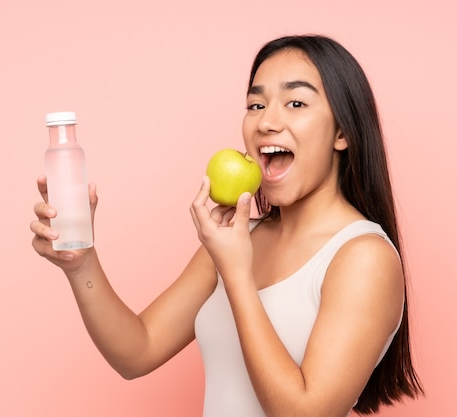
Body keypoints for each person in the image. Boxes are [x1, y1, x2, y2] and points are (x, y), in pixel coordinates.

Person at [31, 34, 423, 416]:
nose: (267, 121)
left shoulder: (363, 258)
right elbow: (137, 351)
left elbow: (304, 412)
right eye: (256, 104)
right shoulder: (238, 238)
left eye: (296, 102)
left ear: (342, 132)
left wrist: (236, 275)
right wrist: (81, 263)